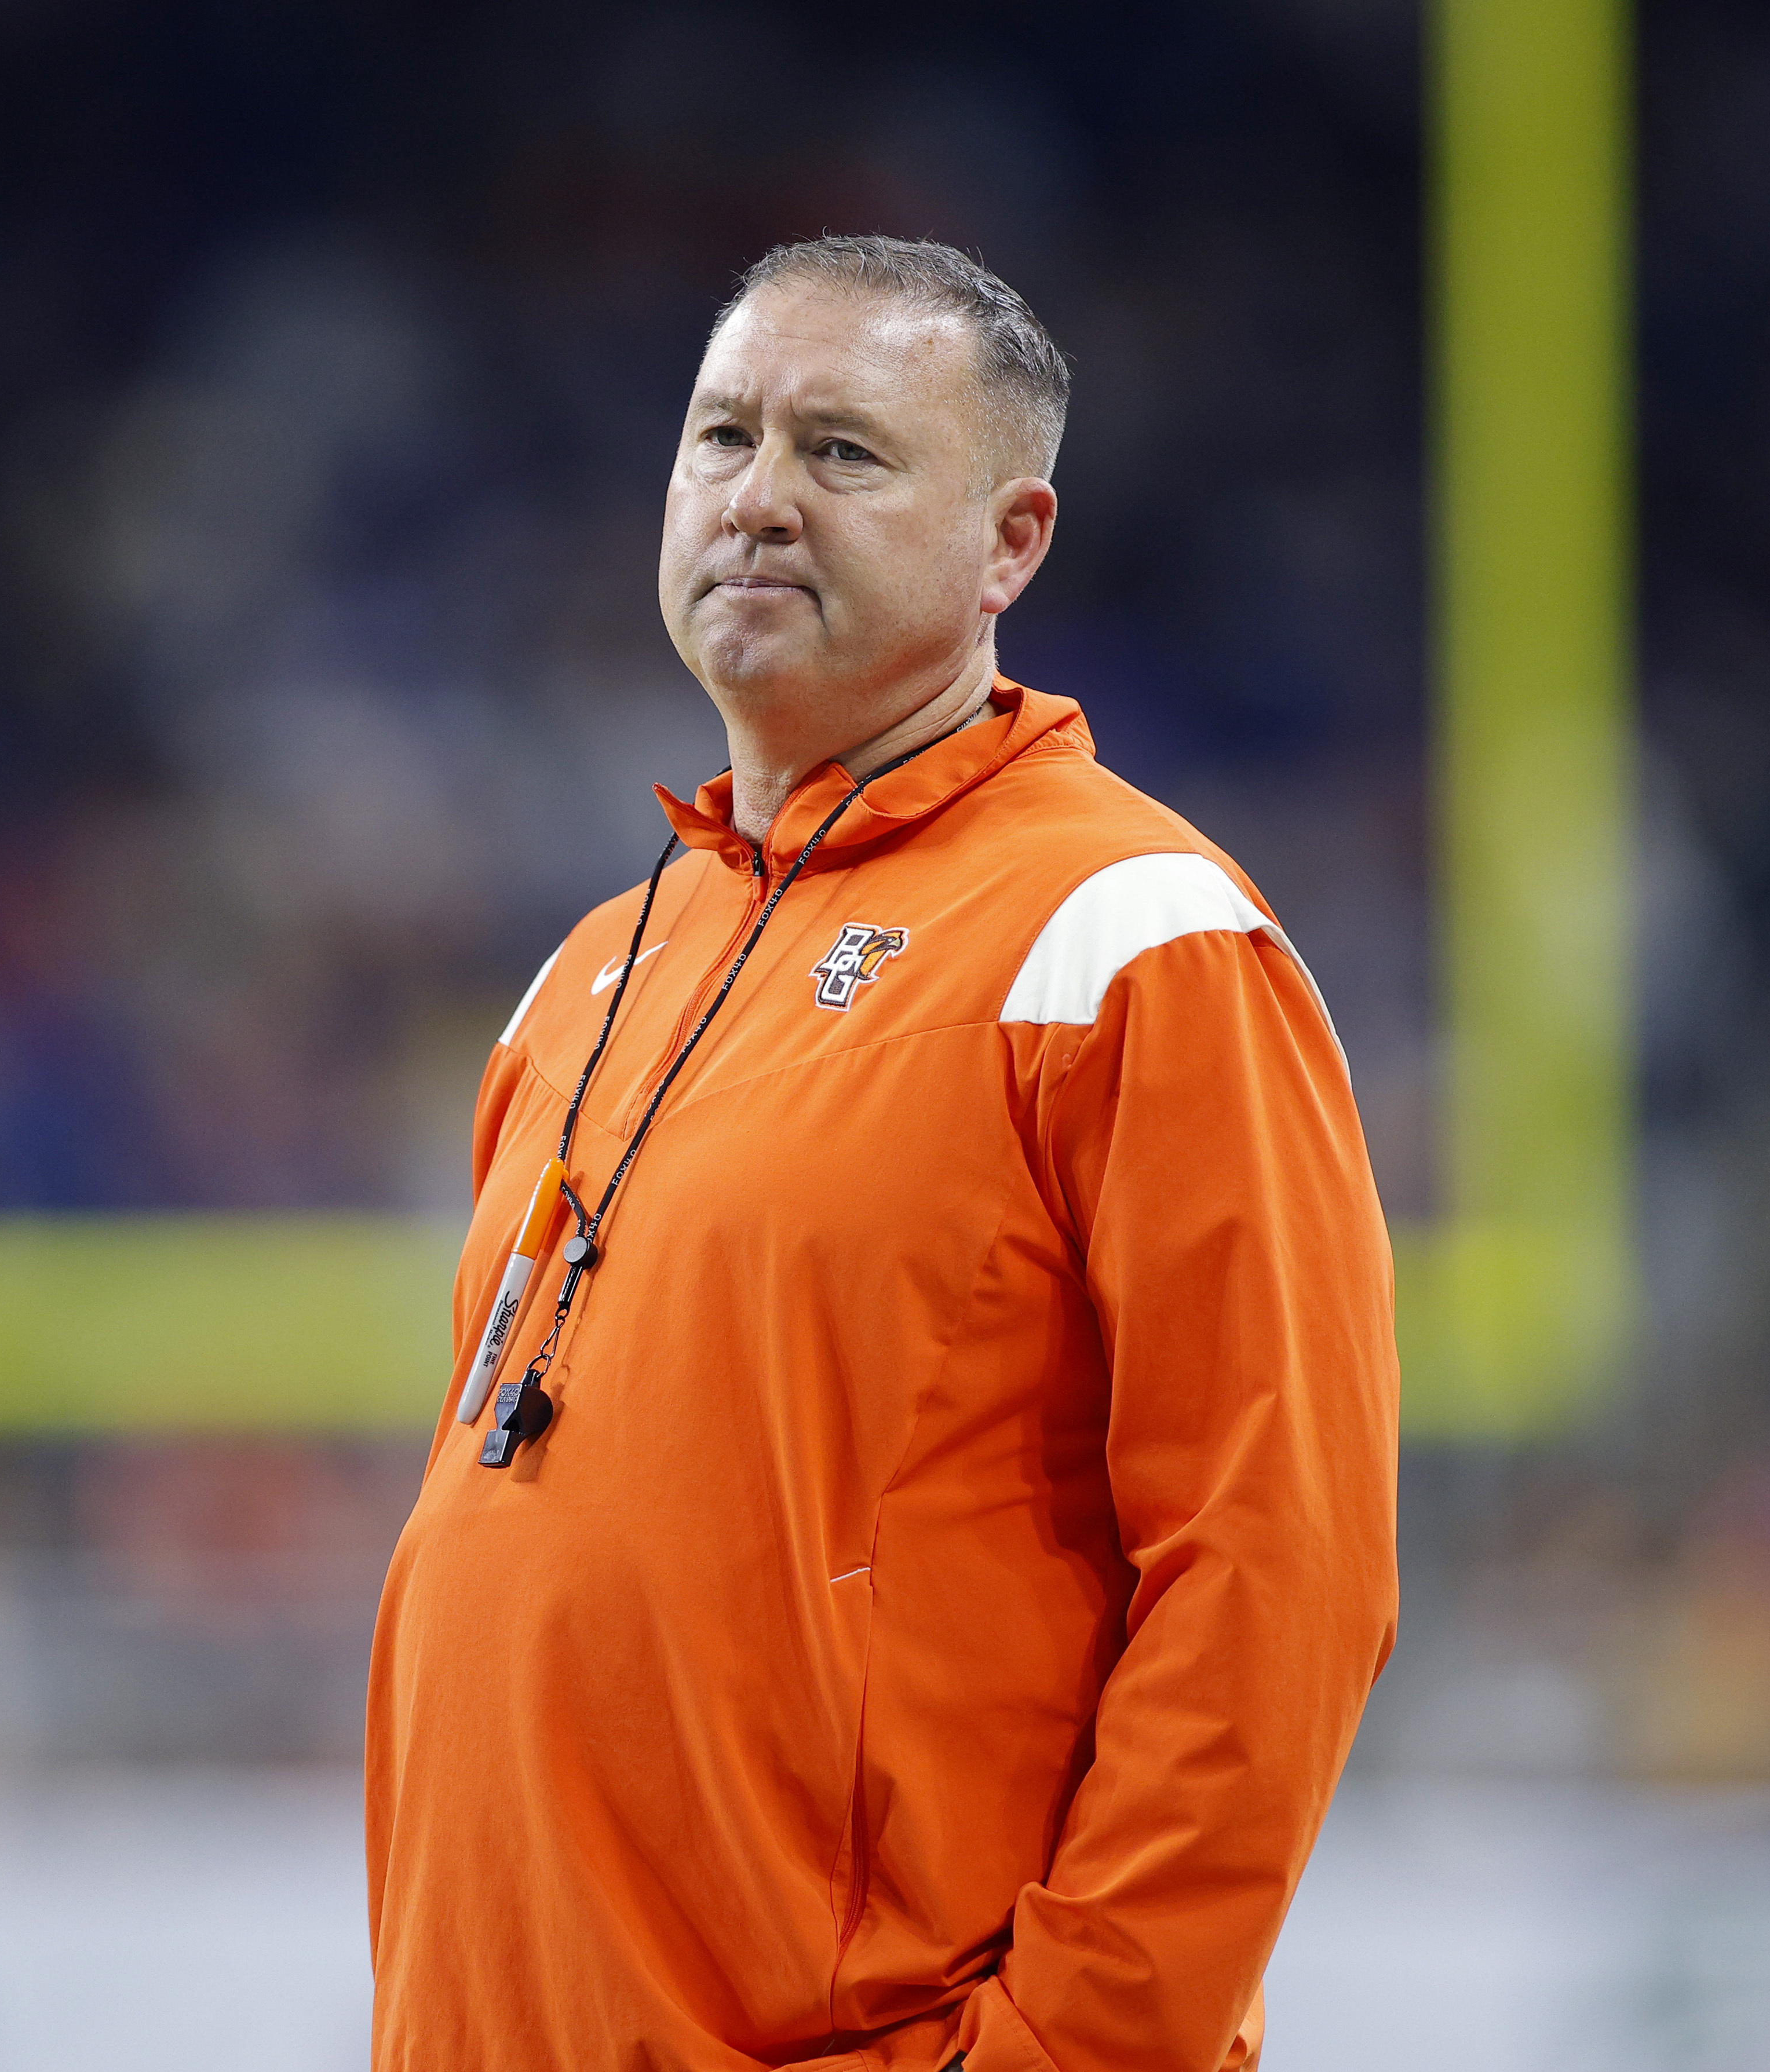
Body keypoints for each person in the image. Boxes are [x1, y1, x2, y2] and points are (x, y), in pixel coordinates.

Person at [365, 235, 1398, 2071]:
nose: (758, 498)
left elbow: (1280, 1571)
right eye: (721, 439)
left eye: (842, 453)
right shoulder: (591, 972)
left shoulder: (1133, 937)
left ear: (1012, 544)